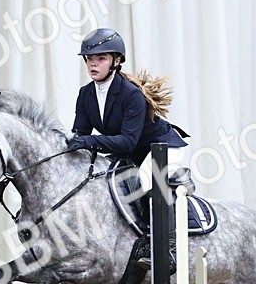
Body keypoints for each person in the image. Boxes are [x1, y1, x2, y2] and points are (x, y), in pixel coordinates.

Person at [67, 28, 188, 269]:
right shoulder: (85, 94)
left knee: (147, 179)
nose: (93, 64)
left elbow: (127, 141)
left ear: (116, 61)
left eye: (100, 58)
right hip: (130, 152)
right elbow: (80, 134)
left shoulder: (131, 94)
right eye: (89, 59)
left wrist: (89, 141)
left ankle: (168, 251)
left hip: (161, 147)